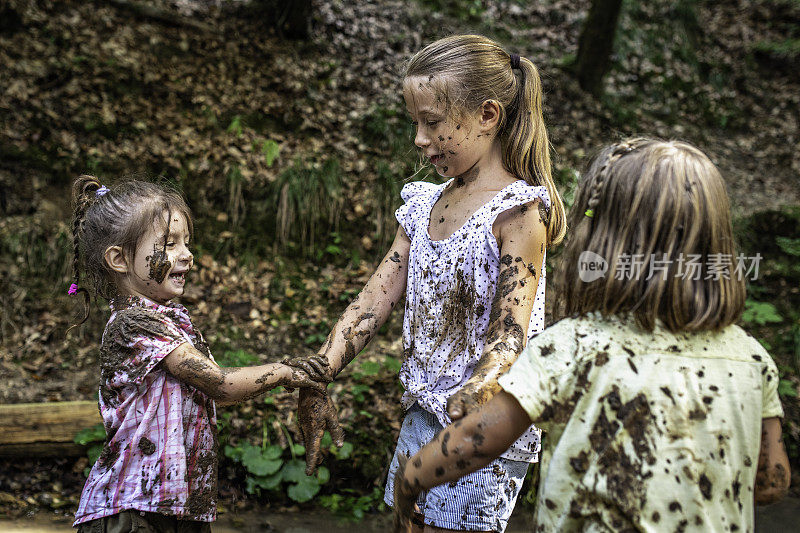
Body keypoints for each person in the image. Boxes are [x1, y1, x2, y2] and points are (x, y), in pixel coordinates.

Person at [391, 138, 792, 532]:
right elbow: (772, 481)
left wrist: (413, 477)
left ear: (601, 243)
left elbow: (480, 437)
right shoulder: (751, 359)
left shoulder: (573, 348)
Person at [282, 34, 566, 532]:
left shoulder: (518, 212)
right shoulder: (424, 205)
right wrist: (320, 372)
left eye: (432, 122)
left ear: (488, 115)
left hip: (481, 428)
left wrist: (483, 383)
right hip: (421, 415)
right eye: (415, 122)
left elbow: (511, 330)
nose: (419, 138)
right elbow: (374, 298)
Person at [68, 176, 326, 532]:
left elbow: (215, 392)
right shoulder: (134, 326)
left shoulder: (172, 321)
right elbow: (220, 385)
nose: (187, 254)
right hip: (131, 511)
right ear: (119, 259)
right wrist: (284, 372)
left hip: (176, 507)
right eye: (169, 244)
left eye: (186, 242)